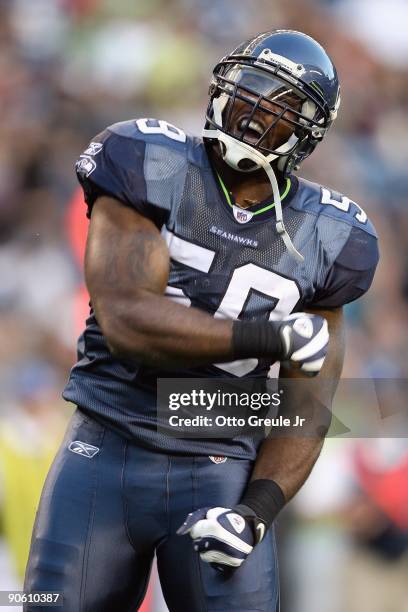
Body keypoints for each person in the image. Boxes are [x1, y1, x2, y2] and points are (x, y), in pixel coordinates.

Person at [24, 30, 379, 611]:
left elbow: (307, 409)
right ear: (222, 84)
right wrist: (270, 335)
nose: (255, 112)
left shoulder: (333, 235)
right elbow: (128, 318)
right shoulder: (147, 159)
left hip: (219, 468)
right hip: (107, 445)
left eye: (281, 105)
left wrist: (255, 512)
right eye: (251, 88)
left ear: (307, 134)